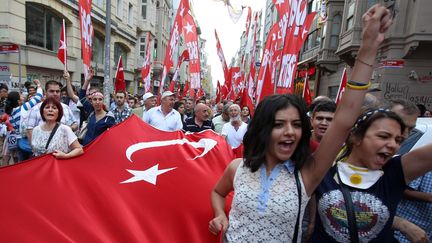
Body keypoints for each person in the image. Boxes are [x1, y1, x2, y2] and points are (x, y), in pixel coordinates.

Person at [209, 5, 393, 241]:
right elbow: (217, 192)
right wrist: (219, 214)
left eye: (296, 125)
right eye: (279, 125)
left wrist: (368, 48)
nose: (290, 132)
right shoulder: (237, 168)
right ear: (263, 130)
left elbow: (345, 119)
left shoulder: (307, 173)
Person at [4, 79, 43, 163]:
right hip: (27, 143)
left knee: (23, 165)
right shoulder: (23, 108)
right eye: (20, 95)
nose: (22, 95)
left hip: (19, 143)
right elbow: (38, 97)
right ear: (18, 101)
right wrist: (39, 85)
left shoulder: (11, 115)